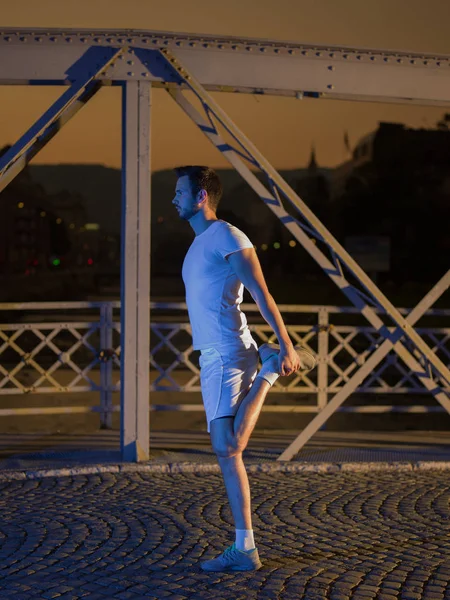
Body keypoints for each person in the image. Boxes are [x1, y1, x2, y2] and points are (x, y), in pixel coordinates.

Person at [173, 166, 316, 572]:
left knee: (228, 447)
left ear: (202, 196)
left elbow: (261, 292)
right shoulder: (199, 243)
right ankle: (245, 548)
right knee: (227, 453)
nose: (173, 199)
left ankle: (269, 369)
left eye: (179, 192)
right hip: (212, 355)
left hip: (229, 351)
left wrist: (285, 345)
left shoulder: (228, 236)